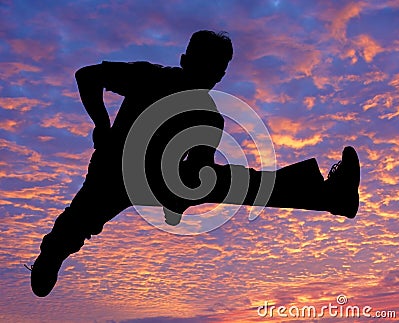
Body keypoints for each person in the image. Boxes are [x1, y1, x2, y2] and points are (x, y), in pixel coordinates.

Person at [30, 30, 360, 297]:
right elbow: (87, 76)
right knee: (75, 226)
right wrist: (101, 125)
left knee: (235, 181)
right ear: (185, 61)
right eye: (208, 66)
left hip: (155, 180)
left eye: (220, 70)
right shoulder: (148, 76)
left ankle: (330, 195)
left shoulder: (210, 116)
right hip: (112, 174)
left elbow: (199, 170)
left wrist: (179, 201)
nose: (214, 76)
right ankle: (50, 257)